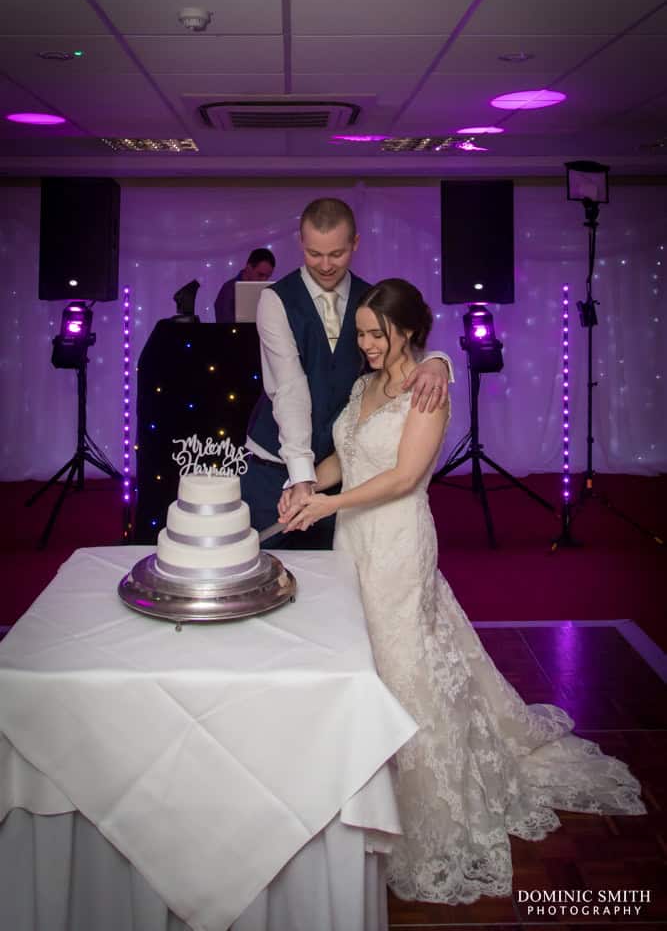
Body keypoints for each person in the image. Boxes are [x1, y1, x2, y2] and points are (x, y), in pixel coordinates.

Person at [279, 278, 646, 905]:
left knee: (403, 664)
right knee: (362, 659)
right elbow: (348, 451)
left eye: (376, 333)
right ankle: (362, 789)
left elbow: (400, 479)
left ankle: (421, 809)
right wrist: (310, 484)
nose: (365, 343)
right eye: (362, 332)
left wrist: (328, 503)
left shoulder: (429, 388)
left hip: (396, 540)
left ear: (408, 331)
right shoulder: (366, 384)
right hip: (353, 543)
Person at [242, 198, 452, 549]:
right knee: (268, 584)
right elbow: (291, 389)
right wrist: (301, 477)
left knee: (336, 588)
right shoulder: (274, 301)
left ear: (355, 243)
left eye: (336, 254)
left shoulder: (370, 298)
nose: (325, 265)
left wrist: (438, 361)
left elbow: (402, 346)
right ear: (301, 244)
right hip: (275, 469)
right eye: (314, 254)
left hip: (341, 476)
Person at [214, 247, 275, 323]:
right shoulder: (228, 289)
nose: (264, 280)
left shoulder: (265, 292)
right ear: (248, 267)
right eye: (260, 275)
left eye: (267, 277)